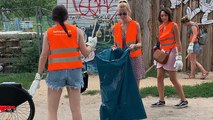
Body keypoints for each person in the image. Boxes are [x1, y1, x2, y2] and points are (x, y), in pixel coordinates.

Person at [34, 5, 96, 120]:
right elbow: (86, 53)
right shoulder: (77, 31)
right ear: (67, 16)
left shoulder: (49, 33)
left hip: (56, 72)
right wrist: (91, 45)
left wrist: (39, 73)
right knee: (76, 109)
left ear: (53, 18)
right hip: (75, 72)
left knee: (52, 110)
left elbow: (43, 56)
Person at [151, 8, 188, 108]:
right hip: (163, 52)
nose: (163, 17)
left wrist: (179, 56)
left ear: (169, 15)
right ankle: (161, 100)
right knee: (159, 76)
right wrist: (156, 52)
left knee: (172, 78)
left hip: (172, 51)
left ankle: (183, 100)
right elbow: (160, 41)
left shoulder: (174, 25)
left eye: (165, 15)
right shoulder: (161, 27)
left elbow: (178, 41)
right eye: (162, 15)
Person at [112, 0, 145, 88]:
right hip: (122, 58)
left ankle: (134, 101)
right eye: (120, 14)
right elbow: (115, 44)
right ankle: (125, 100)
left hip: (134, 57)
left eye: (124, 13)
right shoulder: (115, 27)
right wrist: (114, 48)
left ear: (129, 12)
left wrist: (135, 45)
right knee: (122, 81)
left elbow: (140, 43)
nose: (122, 16)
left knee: (135, 83)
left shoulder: (135, 25)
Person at [181, 15, 208, 79]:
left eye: (184, 24)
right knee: (193, 60)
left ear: (186, 22)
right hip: (194, 44)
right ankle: (193, 74)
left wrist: (191, 44)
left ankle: (204, 72)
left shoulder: (193, 26)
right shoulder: (194, 24)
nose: (184, 25)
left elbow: (195, 35)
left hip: (194, 44)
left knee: (193, 60)